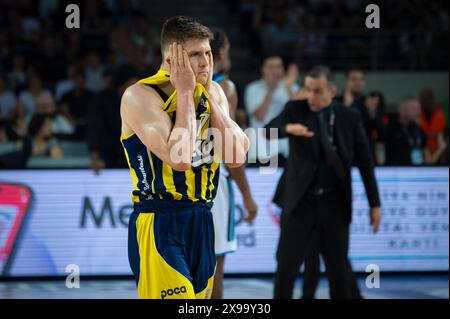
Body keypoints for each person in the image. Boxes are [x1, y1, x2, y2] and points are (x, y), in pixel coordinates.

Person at [119, 16, 249, 299]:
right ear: (170, 60)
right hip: (160, 220)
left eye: (208, 54)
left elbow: (237, 155)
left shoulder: (214, 91)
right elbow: (179, 158)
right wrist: (186, 93)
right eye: (194, 55)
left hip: (203, 217)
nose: (205, 63)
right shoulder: (140, 96)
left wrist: (208, 95)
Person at [265, 65, 381, 299]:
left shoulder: (350, 117)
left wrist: (374, 204)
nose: (311, 96)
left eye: (317, 91)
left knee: (338, 270)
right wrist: (288, 129)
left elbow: (366, 163)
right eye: (307, 89)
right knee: (286, 268)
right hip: (300, 202)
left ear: (331, 90)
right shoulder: (295, 109)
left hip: (334, 203)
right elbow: (268, 131)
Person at [209, 27, 258, 299]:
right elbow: (231, 153)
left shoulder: (176, 85)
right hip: (213, 183)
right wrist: (248, 196)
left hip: (179, 183)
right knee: (215, 265)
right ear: (220, 53)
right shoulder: (225, 87)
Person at [244, 55, 299, 165]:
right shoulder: (253, 89)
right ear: (263, 70)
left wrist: (288, 88)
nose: (275, 71)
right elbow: (259, 116)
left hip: (285, 150)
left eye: (278, 67)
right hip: (260, 151)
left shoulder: (292, 88)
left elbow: (297, 115)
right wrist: (270, 91)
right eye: (270, 67)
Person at [385, 97, 427, 166]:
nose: (419, 112)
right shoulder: (390, 130)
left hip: (418, 170)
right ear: (403, 111)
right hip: (396, 171)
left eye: (419, 108)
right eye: (414, 109)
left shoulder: (419, 130)